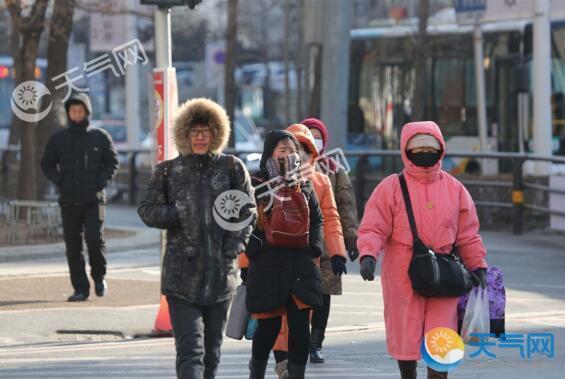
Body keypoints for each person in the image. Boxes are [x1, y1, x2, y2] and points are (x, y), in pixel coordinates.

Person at [357, 121, 488, 379]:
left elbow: (468, 234)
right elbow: (373, 226)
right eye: (417, 148)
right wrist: (368, 254)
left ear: (441, 149)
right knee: (406, 335)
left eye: (431, 147)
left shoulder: (455, 189)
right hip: (403, 273)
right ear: (406, 151)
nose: (424, 152)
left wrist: (478, 265)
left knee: (441, 338)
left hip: (446, 273)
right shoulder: (391, 187)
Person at [138, 98, 256, 379]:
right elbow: (147, 210)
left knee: (212, 355)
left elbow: (247, 212)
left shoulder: (232, 168)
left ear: (217, 133)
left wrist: (233, 248)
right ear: (184, 134)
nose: (200, 137)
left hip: (220, 275)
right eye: (194, 131)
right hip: (181, 277)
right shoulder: (169, 171)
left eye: (206, 131)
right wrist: (177, 212)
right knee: (190, 351)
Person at [245, 130, 324, 379]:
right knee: (268, 326)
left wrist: (314, 247)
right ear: (270, 153)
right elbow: (242, 220)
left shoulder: (304, 183)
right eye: (282, 150)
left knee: (300, 326)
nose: (288, 155)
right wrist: (254, 248)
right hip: (268, 262)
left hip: (299, 263)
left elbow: (318, 219)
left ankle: (296, 374)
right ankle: (256, 369)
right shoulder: (257, 183)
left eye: (292, 151)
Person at [41, 93, 118, 302]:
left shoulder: (99, 137)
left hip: (94, 200)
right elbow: (46, 163)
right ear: (68, 113)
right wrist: (60, 180)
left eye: (80, 110)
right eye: (73, 111)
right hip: (68, 200)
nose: (76, 114)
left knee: (94, 239)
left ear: (87, 112)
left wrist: (99, 183)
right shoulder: (58, 139)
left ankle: (99, 277)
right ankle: (80, 288)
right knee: (73, 246)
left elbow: (112, 163)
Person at [301, 117, 360, 363]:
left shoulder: (334, 170)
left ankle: (315, 343)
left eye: (318, 136)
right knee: (298, 296)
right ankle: (298, 341)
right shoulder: (289, 168)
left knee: (323, 296)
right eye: (309, 135)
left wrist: (351, 240)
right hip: (298, 246)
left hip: (327, 245)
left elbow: (345, 207)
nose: (314, 140)